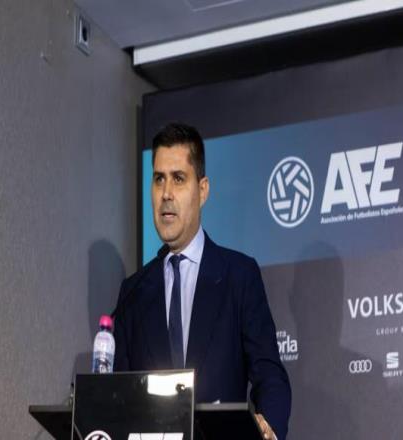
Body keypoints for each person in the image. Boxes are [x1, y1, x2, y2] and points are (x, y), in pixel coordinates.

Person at [114, 122, 291, 439]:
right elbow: (118, 398)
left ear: (203, 190)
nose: (166, 194)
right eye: (159, 179)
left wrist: (269, 427)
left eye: (178, 179)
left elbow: (269, 374)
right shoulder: (134, 293)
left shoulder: (239, 276)